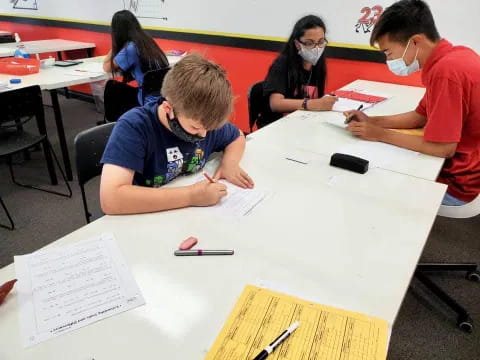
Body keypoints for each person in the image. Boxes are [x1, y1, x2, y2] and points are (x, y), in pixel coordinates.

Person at [344, 0, 480, 206]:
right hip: (464, 165)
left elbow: (443, 149)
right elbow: (420, 116)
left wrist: (380, 135)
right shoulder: (451, 58)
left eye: (389, 53)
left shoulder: (446, 72)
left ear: (415, 42)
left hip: (458, 182)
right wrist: (373, 121)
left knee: (369, 187)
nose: (389, 61)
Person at [100, 54, 254, 215]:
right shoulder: (135, 126)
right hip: (145, 215)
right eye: (195, 128)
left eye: (209, 129)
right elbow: (111, 199)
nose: (203, 135)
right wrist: (190, 196)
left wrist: (229, 164)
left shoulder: (204, 121)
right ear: (168, 109)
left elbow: (237, 136)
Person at [261, 15, 337, 128]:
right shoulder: (282, 64)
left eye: (321, 42)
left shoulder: (317, 64)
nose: (317, 48)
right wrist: (313, 104)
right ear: (297, 44)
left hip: (303, 124)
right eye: (310, 43)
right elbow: (275, 104)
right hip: (278, 127)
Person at [103, 10, 169, 105]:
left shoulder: (130, 49)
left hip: (147, 100)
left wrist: (115, 45)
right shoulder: (147, 41)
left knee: (112, 88)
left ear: (117, 32)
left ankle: (120, 119)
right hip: (163, 96)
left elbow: (106, 67)